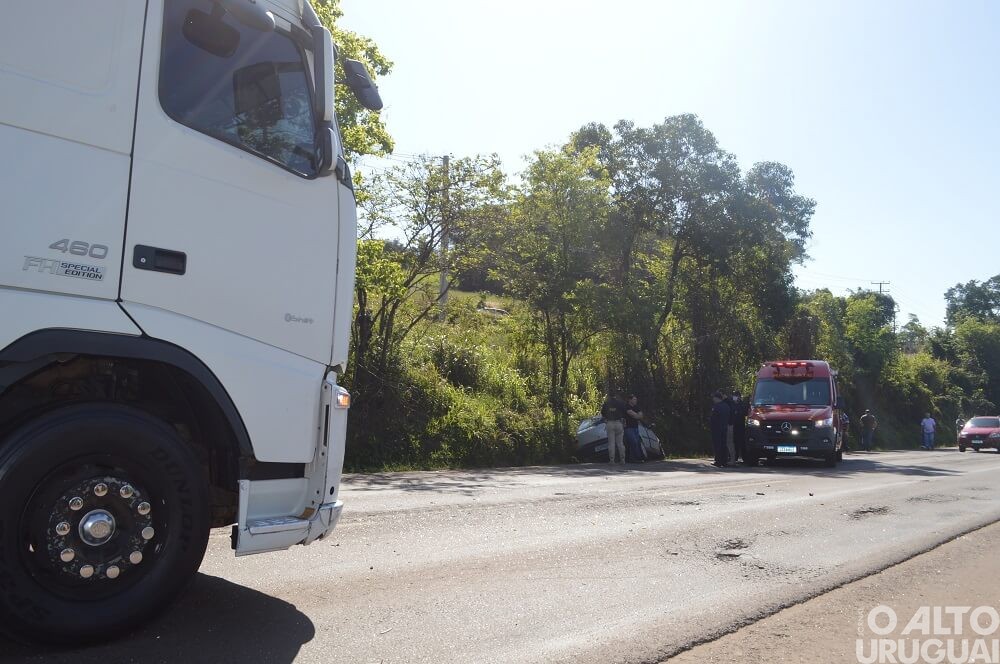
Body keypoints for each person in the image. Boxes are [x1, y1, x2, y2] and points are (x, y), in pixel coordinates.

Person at [600, 391, 627, 464]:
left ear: (609, 396)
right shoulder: (620, 403)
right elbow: (625, 412)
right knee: (620, 443)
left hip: (609, 423)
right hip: (619, 423)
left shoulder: (606, 403)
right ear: (616, 395)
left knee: (611, 443)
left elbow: (602, 413)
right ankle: (623, 459)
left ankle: (612, 460)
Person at [710, 390, 731, 467]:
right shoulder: (726, 406)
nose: (713, 399)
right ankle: (724, 461)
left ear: (717, 398)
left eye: (714, 397)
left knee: (717, 445)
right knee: (723, 444)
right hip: (724, 428)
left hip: (717, 428)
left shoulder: (717, 406)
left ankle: (718, 461)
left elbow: (713, 419)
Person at [624, 394, 647, 463]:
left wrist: (637, 415)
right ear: (630, 400)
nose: (635, 401)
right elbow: (632, 414)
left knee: (637, 442)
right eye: (634, 399)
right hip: (628, 428)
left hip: (635, 427)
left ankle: (634, 458)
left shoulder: (636, 407)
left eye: (636, 399)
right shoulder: (626, 406)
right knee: (633, 442)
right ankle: (637, 458)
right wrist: (637, 415)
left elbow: (641, 415)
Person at [730, 391, 748, 463]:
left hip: (741, 426)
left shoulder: (742, 404)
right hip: (733, 425)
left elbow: (745, 412)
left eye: (736, 396)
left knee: (742, 442)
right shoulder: (732, 404)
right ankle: (735, 456)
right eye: (734, 396)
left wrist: (738, 412)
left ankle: (745, 458)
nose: (734, 397)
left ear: (739, 397)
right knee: (734, 442)